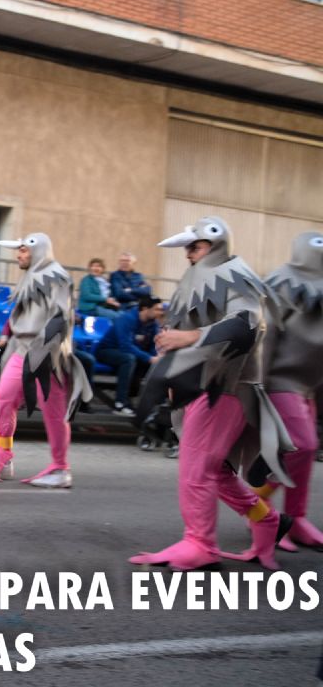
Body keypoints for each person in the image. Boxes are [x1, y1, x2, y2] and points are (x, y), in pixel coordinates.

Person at [131, 217, 292, 571]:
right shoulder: (206, 277)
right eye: (188, 247)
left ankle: (200, 544)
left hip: (226, 389)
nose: (189, 254)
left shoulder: (237, 276)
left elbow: (247, 324)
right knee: (215, 471)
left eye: (196, 246)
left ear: (216, 244)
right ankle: (268, 522)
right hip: (206, 388)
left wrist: (189, 338)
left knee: (196, 470)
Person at [0, 233, 92, 488]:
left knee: (54, 413)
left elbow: (60, 317)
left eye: (24, 251)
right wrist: (4, 335)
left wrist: (43, 351)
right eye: (20, 251)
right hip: (21, 350)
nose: (19, 255)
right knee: (4, 399)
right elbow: (19, 310)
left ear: (38, 251)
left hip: (49, 354)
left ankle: (61, 468)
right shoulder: (28, 276)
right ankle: (3, 457)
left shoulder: (58, 276)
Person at [248, 231, 323, 552]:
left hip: (308, 387)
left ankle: (293, 518)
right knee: (302, 447)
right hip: (281, 382)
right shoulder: (283, 283)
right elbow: (267, 339)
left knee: (298, 453)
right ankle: (261, 512)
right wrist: (258, 388)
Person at [95, 295, 163, 416]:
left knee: (158, 363)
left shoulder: (153, 324)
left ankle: (157, 408)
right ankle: (120, 404)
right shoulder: (127, 319)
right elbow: (125, 346)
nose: (160, 312)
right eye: (157, 309)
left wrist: (156, 358)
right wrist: (149, 358)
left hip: (131, 354)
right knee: (129, 359)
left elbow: (154, 345)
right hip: (107, 351)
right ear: (145, 309)